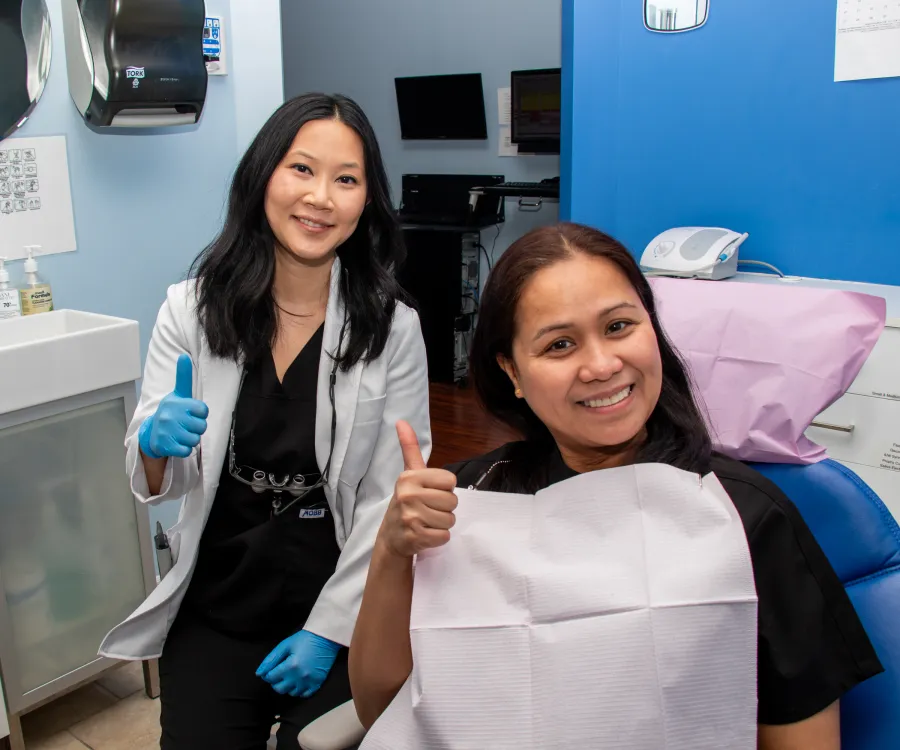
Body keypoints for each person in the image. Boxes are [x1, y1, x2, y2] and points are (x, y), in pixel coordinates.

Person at [349, 222, 883, 749]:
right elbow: (383, 710)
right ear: (511, 370)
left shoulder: (743, 519)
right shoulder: (468, 503)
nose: (602, 365)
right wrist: (392, 552)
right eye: (560, 344)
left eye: (619, 327)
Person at [98, 93, 432, 749]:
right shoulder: (191, 311)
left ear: (367, 201)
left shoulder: (392, 328)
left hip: (340, 598)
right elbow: (156, 476)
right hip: (221, 595)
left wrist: (328, 629)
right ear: (263, 178)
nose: (321, 198)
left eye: (346, 179)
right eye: (301, 169)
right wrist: (155, 445)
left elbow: (385, 501)